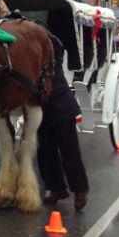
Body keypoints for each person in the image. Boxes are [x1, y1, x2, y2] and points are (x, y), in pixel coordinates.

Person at [37, 33, 89, 210]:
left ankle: (80, 190)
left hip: (62, 108)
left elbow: (57, 53)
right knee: (45, 152)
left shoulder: (52, 46)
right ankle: (56, 188)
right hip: (42, 110)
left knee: (69, 152)